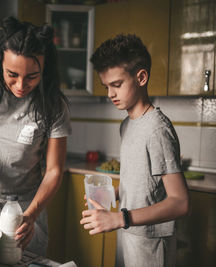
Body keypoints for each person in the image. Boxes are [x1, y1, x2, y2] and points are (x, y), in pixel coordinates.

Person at [0, 16, 71, 256]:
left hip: (25, 209)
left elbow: (54, 171)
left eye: (31, 77)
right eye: (12, 74)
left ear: (44, 69)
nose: (20, 85)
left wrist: (31, 214)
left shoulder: (53, 105)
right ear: (0, 63)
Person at [80, 34, 190, 267]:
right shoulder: (127, 124)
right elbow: (142, 184)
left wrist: (120, 218)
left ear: (141, 77)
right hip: (128, 233)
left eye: (116, 85)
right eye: (106, 86)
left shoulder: (157, 130)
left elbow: (180, 202)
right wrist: (111, 194)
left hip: (150, 244)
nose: (110, 93)